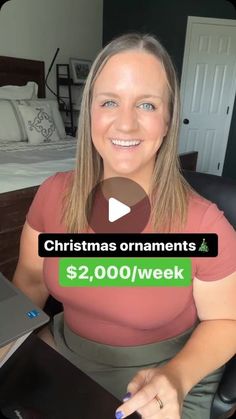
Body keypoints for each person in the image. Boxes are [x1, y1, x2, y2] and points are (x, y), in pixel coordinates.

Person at [13, 33, 236, 419]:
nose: (126, 123)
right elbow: (31, 281)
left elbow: (227, 320)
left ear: (168, 119)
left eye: (147, 104)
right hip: (66, 350)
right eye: (110, 102)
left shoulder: (205, 223)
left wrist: (177, 377)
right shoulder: (53, 195)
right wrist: (9, 338)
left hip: (163, 372)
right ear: (90, 112)